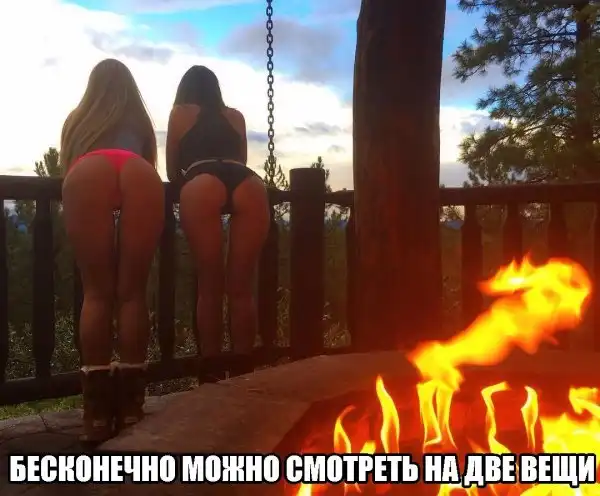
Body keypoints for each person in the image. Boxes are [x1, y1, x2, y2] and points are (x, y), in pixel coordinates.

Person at [60, 58, 164, 445]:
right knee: (133, 293)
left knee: (97, 293)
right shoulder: (140, 121)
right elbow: (149, 160)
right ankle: (133, 407)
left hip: (88, 171)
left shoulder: (78, 119)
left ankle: (97, 415)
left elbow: (67, 165)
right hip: (139, 172)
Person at [166, 65, 270, 379]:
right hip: (247, 183)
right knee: (241, 287)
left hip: (202, 180)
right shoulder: (235, 116)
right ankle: (244, 374)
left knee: (210, 285)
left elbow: (172, 169)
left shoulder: (180, 113)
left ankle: (211, 375)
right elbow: (242, 160)